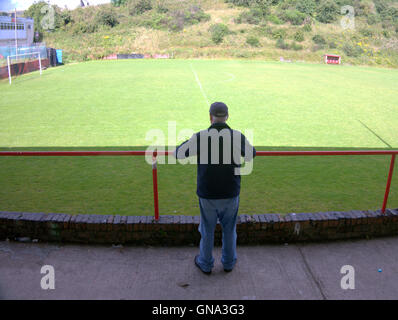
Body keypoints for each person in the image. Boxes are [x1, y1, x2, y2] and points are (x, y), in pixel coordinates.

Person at [174, 102, 256, 275]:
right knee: (229, 229)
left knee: (207, 229)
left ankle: (205, 263)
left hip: (207, 193)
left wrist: (187, 141)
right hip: (230, 192)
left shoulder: (201, 136)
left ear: (210, 116)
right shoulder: (236, 136)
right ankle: (228, 263)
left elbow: (179, 153)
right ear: (227, 116)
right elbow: (251, 153)